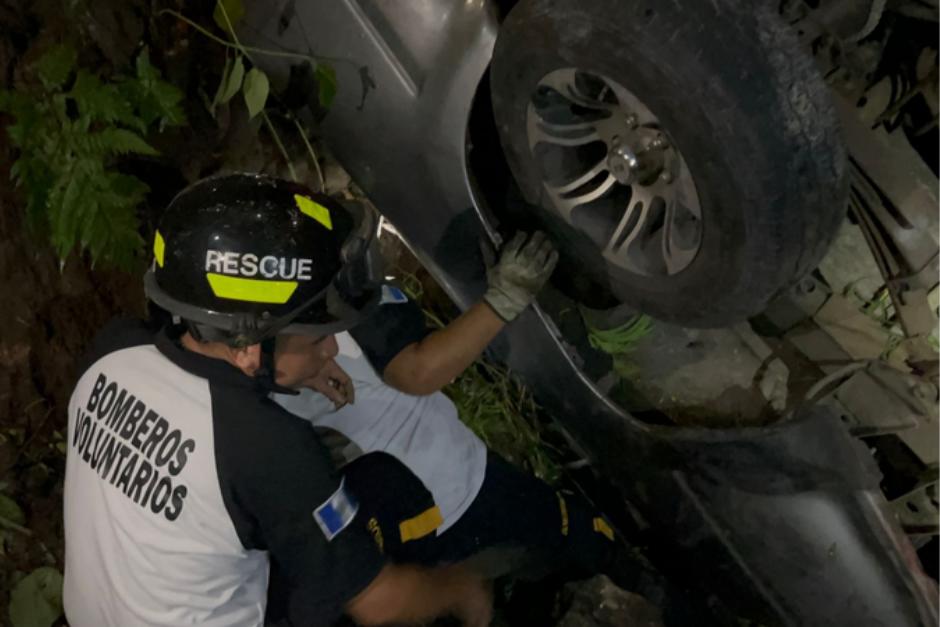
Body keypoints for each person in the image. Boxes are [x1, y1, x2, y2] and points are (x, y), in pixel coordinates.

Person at [62, 174, 492, 627]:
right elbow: (380, 602)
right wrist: (463, 588)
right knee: (385, 492)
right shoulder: (268, 446)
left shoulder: (114, 350)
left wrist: (288, 364)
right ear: (249, 348)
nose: (330, 350)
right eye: (315, 338)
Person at [273, 206, 616, 579]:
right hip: (457, 486)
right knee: (573, 535)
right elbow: (419, 372)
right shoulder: (345, 313)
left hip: (410, 518)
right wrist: (503, 299)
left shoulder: (264, 355)